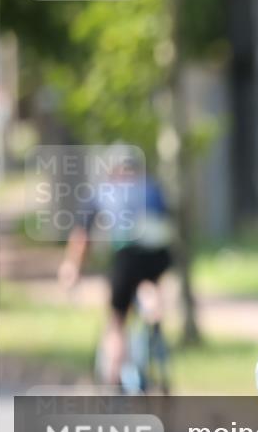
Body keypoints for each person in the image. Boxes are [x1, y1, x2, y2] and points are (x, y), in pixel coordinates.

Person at [57, 145, 173, 387]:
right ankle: (152, 309)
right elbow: (167, 226)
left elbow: (82, 236)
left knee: (116, 321)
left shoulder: (103, 191)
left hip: (126, 255)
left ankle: (112, 379)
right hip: (158, 254)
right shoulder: (152, 187)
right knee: (148, 285)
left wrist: (72, 268)